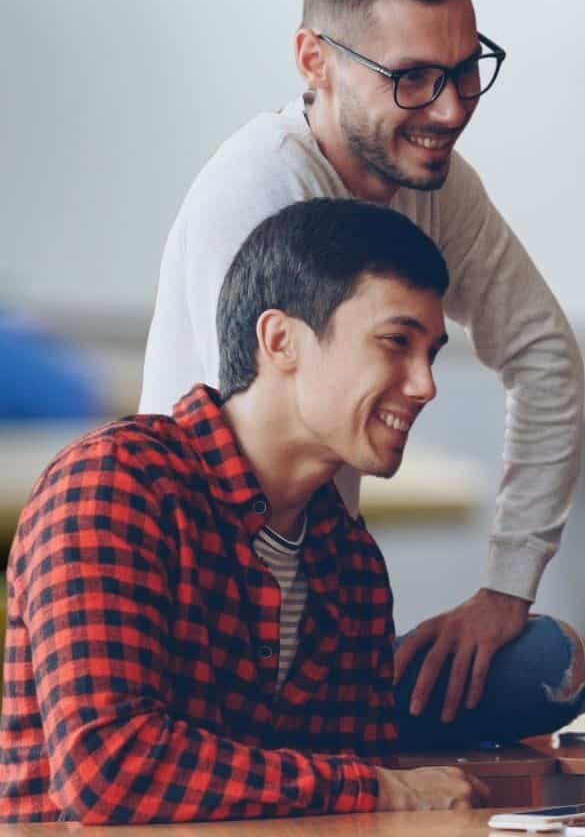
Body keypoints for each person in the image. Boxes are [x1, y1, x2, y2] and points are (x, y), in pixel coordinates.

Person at [137, 0, 585, 742]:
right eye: (413, 79)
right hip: (218, 624)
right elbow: (244, 472)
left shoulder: (434, 181)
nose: (450, 109)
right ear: (316, 60)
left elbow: (543, 353)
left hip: (324, 600)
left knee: (561, 661)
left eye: (465, 71)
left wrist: (506, 586)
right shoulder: (255, 199)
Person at [0, 200, 485, 823]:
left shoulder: (350, 558)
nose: (425, 385)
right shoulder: (114, 485)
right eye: (396, 343)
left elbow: (352, 800)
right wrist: (382, 789)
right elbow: (108, 770)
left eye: (432, 354)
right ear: (280, 340)